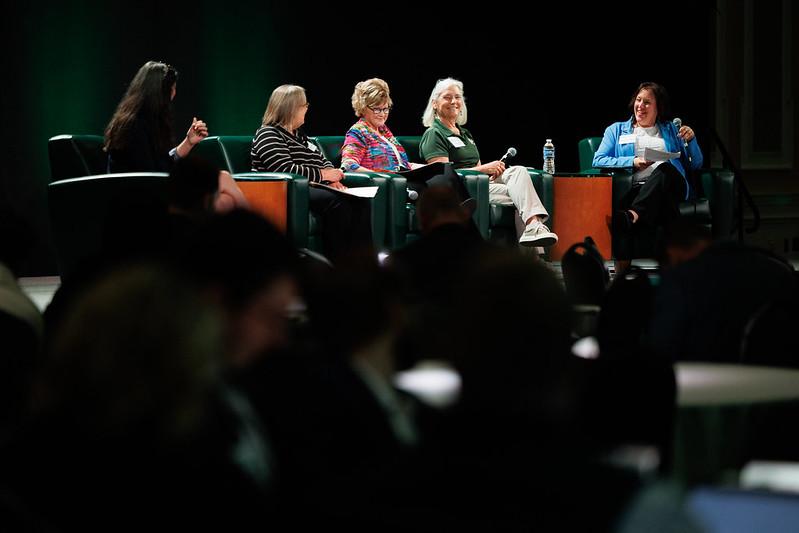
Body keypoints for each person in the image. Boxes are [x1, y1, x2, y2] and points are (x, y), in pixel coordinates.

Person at [419, 78, 558, 247]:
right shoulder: (434, 133)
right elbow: (442, 175)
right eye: (448, 97)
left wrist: (491, 172)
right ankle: (534, 240)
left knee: (519, 171)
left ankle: (533, 229)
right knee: (522, 196)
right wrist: (484, 169)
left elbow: (477, 168)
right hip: (462, 191)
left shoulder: (465, 134)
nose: (454, 101)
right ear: (435, 103)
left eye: (457, 97)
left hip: (480, 184)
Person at [103, 60, 247, 212]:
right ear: (161, 92)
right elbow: (150, 173)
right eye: (172, 88)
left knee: (226, 200)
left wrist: (189, 142)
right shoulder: (134, 126)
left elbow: (160, 163)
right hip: (141, 197)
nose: (174, 93)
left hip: (153, 187)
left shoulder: (144, 120)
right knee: (222, 180)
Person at [251, 84, 373, 261]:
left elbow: (320, 159)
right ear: (291, 108)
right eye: (304, 105)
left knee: (359, 201)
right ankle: (339, 264)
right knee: (335, 201)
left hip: (311, 186)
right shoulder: (268, 134)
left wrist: (331, 177)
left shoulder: (300, 136)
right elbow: (285, 169)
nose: (307, 109)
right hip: (285, 192)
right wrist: (325, 176)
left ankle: (363, 264)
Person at [593, 81, 704, 271]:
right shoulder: (616, 130)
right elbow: (598, 159)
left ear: (658, 108)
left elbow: (696, 164)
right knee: (663, 206)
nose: (640, 106)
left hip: (673, 183)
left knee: (665, 169)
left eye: (647, 102)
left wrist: (691, 140)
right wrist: (632, 161)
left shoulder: (671, 129)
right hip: (640, 189)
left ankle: (634, 214)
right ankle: (676, 268)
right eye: (638, 100)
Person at [341, 78, 472, 207]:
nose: (382, 114)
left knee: (443, 170)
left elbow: (402, 165)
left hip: (402, 178)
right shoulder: (358, 132)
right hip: (389, 184)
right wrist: (382, 176)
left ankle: (464, 208)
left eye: (385, 109)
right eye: (377, 109)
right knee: (436, 192)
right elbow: (348, 165)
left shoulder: (384, 131)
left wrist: (431, 167)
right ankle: (461, 211)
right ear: (363, 108)